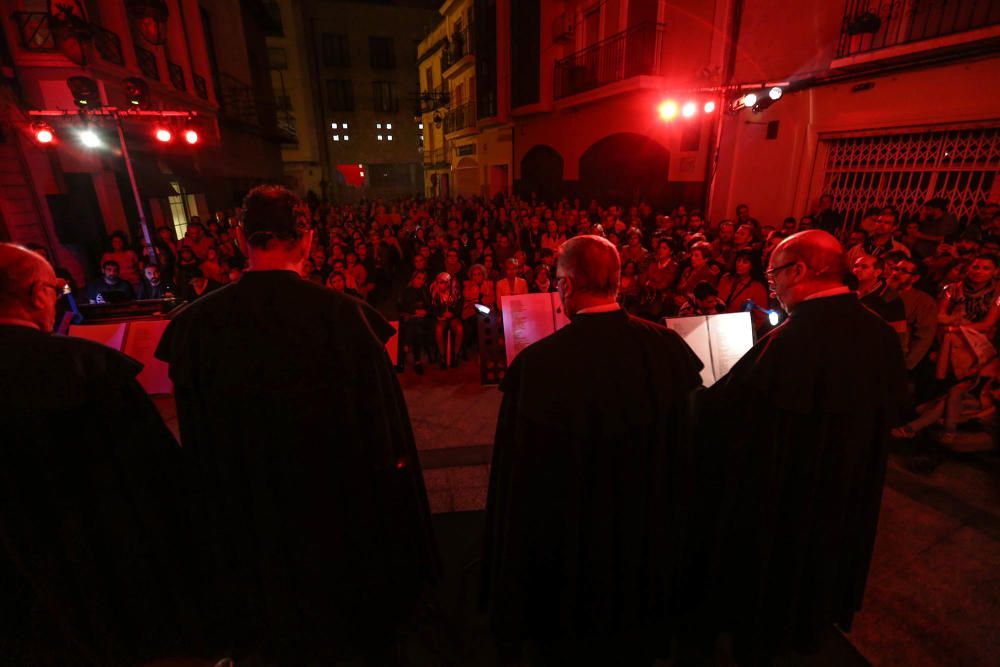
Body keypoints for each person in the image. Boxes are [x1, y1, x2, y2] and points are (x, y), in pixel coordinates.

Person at [154, 186, 438, 665]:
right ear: (307, 240)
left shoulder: (196, 326)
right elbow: (382, 435)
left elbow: (198, 438)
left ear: (242, 240)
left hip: (246, 521)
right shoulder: (345, 319)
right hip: (335, 516)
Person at [482, 235, 703, 667]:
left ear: (565, 285)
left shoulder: (539, 363)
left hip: (570, 538)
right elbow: (686, 445)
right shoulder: (667, 348)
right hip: (645, 528)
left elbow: (520, 471)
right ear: (618, 281)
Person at [692, 230, 907, 665]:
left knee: (777, 575)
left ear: (800, 270)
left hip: (787, 499)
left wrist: (689, 392)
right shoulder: (881, 334)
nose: (774, 287)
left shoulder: (790, 341)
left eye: (774, 277)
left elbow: (722, 416)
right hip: (845, 491)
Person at [0, 243, 206, 665]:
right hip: (97, 573)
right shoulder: (88, 370)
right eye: (55, 290)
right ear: (38, 295)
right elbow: (158, 481)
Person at [887, 257, 938, 370]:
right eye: (896, 269)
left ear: (915, 278)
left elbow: (924, 336)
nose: (896, 273)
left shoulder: (924, 301)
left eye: (903, 271)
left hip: (896, 355)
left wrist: (906, 364)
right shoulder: (880, 293)